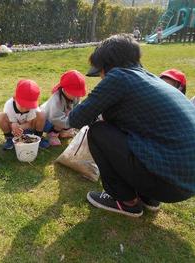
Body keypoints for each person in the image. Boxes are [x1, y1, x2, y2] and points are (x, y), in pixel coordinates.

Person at [69, 34, 195, 217]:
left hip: (167, 182)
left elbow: (76, 119)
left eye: (100, 73)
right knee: (125, 129)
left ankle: (126, 201)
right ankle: (148, 197)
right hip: (185, 185)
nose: (101, 77)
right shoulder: (152, 79)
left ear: (107, 66)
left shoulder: (119, 77)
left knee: (98, 132)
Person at [0, 79, 50, 150]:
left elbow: (30, 124)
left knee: (41, 115)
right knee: (0, 116)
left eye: (28, 106)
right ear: (15, 98)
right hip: (13, 130)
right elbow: (11, 122)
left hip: (29, 127)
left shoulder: (34, 107)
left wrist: (20, 127)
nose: (25, 109)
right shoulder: (9, 105)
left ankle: (37, 138)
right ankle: (10, 139)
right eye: (22, 105)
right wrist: (13, 125)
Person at [40, 70, 86, 146]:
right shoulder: (57, 100)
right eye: (73, 93)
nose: (76, 96)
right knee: (62, 121)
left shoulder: (75, 97)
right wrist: (72, 122)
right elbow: (55, 118)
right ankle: (52, 135)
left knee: (69, 117)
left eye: (77, 93)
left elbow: (77, 108)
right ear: (64, 89)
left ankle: (63, 132)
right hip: (48, 120)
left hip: (63, 118)